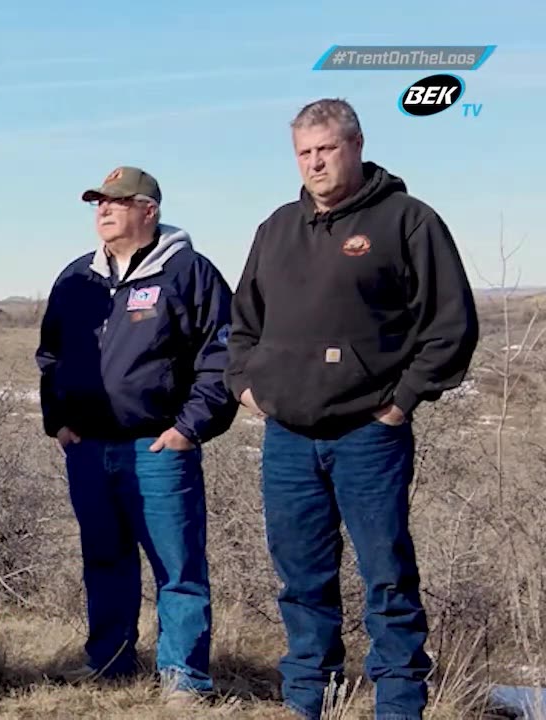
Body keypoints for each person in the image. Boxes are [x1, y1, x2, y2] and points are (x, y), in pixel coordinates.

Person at [225, 98, 480, 720]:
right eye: (304, 152)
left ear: (356, 146)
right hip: (288, 438)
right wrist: (246, 388)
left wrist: (400, 403)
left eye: (326, 149)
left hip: (368, 434)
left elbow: (451, 327)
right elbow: (242, 327)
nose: (314, 162)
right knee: (301, 578)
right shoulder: (276, 228)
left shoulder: (406, 221)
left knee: (386, 574)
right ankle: (308, 698)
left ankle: (398, 702)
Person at [35, 166, 236, 707]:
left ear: (149, 210)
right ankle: (109, 660)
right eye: (98, 201)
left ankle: (185, 678)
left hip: (157, 447)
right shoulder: (77, 278)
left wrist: (188, 429)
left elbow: (222, 355)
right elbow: (50, 356)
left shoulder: (188, 273)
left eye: (117, 201)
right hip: (89, 447)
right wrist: (59, 420)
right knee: (104, 558)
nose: (103, 209)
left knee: (177, 566)